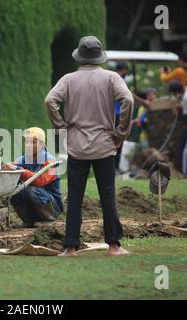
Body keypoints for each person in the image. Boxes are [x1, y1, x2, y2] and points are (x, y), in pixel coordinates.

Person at [45, 36, 134, 257]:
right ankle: (114, 246)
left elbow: (50, 101)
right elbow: (128, 101)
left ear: (80, 56)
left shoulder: (68, 79)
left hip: (77, 146)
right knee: (107, 195)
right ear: (99, 56)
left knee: (75, 196)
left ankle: (71, 247)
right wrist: (121, 132)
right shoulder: (111, 77)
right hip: (105, 145)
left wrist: (61, 126)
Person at [2, 127, 63, 228]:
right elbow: (13, 167)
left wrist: (17, 168)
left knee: (32, 189)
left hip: (53, 205)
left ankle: (49, 219)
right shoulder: (23, 159)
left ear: (42, 144)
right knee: (13, 191)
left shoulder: (51, 162)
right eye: (27, 142)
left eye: (33, 142)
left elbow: (40, 181)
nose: (28, 145)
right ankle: (28, 220)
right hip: (35, 201)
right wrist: (6, 167)